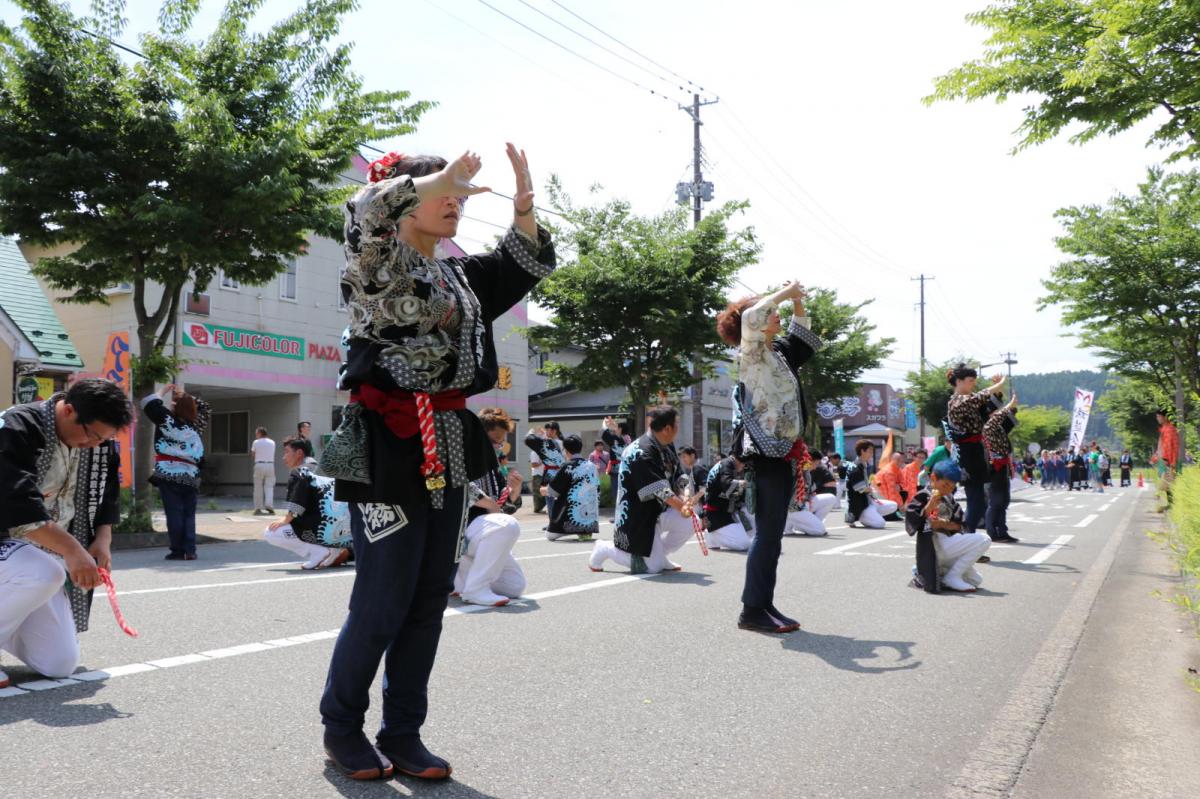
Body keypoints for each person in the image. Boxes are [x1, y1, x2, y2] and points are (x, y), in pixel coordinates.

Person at [317, 146, 555, 780]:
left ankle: (403, 731)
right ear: (402, 195)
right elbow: (365, 212)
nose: (455, 199)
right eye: (441, 190)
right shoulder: (375, 259)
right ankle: (341, 728)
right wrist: (438, 177)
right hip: (390, 443)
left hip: (447, 440)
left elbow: (517, 265)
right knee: (382, 597)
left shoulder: (456, 274)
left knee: (428, 598)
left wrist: (524, 210)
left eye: (458, 191)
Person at [0, 378, 132, 688]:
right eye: (92, 435)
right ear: (68, 410)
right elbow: (14, 501)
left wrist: (102, 540)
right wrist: (73, 550)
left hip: (40, 554)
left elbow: (107, 495)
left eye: (105, 438)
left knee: (59, 664)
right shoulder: (16, 426)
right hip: (8, 540)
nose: (95, 445)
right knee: (44, 572)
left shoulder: (100, 446)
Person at [717, 280, 823, 634]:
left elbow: (803, 339)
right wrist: (786, 291)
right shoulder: (751, 352)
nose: (776, 315)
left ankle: (764, 603)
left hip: (782, 452)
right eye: (772, 312)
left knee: (773, 535)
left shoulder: (777, 352)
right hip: (766, 452)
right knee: (767, 534)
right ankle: (752, 608)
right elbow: (751, 313)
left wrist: (797, 303)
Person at [589, 406, 694, 573]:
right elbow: (658, 489)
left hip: (660, 509)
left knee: (690, 521)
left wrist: (687, 497)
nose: (678, 427)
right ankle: (606, 548)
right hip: (638, 515)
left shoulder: (667, 444)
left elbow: (680, 475)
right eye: (677, 424)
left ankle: (659, 555)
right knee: (651, 568)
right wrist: (682, 505)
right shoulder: (640, 452)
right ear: (667, 428)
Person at [454, 407, 526, 607]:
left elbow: (504, 509)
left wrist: (515, 490)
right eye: (495, 439)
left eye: (502, 440)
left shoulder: (492, 465)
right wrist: (488, 502)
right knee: (507, 526)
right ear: (480, 433)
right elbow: (457, 484)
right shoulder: (461, 453)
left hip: (482, 531)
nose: (499, 444)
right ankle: (475, 588)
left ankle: (460, 576)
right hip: (461, 527)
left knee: (515, 586)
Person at [142, 383, 210, 561]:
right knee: (189, 513)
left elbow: (149, 403)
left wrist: (163, 391)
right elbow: (205, 408)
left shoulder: (166, 419)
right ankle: (190, 550)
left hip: (169, 473)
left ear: (175, 406)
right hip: (191, 475)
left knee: (174, 512)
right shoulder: (196, 425)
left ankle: (177, 550)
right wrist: (185, 397)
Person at [264, 437, 352, 570]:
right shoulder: (319, 467)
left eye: (287, 452)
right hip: (339, 527)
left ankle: (318, 551)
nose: (284, 457)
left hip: (318, 527)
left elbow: (298, 502)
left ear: (299, 453)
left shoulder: (299, 472)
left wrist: (286, 520)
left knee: (271, 532)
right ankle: (334, 550)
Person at [905, 460, 991, 593]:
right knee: (984, 539)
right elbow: (912, 520)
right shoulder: (922, 495)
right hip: (933, 546)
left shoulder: (949, 499)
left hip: (949, 545)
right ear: (933, 478)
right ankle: (950, 575)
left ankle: (932, 571)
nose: (947, 490)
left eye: (951, 487)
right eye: (945, 485)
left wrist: (944, 524)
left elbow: (962, 526)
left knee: (976, 580)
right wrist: (929, 507)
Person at [945, 364, 1006, 531]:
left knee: (979, 502)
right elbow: (976, 399)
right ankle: (965, 538)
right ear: (958, 381)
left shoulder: (970, 399)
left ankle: (967, 538)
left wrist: (998, 392)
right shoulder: (956, 402)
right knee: (976, 501)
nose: (973, 384)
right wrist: (995, 387)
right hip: (966, 454)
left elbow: (988, 409)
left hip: (976, 451)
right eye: (970, 380)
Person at [541, 434, 600, 541]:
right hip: (590, 521)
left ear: (566, 450)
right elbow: (598, 489)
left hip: (568, 517)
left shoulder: (567, 466)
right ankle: (584, 531)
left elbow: (554, 491)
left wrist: (544, 490)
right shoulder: (591, 466)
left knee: (549, 536)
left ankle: (567, 530)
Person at [982, 393, 1019, 544]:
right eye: (995, 411)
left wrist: (1013, 406)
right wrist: (1009, 403)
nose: (999, 414)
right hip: (994, 469)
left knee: (1003, 501)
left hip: (1002, 467)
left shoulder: (998, 428)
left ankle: (1002, 531)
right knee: (996, 502)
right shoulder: (988, 426)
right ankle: (992, 531)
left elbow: (1009, 419)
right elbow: (1000, 416)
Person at [703, 453, 753, 550]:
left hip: (723, 511)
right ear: (738, 459)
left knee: (751, 515)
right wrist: (741, 484)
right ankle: (714, 536)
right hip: (717, 514)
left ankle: (714, 535)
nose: (743, 467)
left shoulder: (727, 464)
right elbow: (727, 485)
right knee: (744, 544)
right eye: (743, 463)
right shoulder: (727, 464)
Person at [844, 440, 898, 528]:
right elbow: (861, 488)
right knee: (880, 524)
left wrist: (871, 488)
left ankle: (871, 516)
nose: (872, 453)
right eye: (870, 451)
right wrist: (871, 489)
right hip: (860, 506)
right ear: (862, 451)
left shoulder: (864, 465)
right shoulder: (855, 468)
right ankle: (864, 517)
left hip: (868, 501)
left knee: (893, 505)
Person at [785, 461, 839, 537]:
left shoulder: (807, 473)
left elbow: (809, 491)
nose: (816, 467)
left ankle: (805, 523)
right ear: (808, 462)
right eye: (815, 463)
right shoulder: (795, 471)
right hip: (793, 508)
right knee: (820, 531)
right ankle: (798, 524)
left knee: (831, 498)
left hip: (801, 505)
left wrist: (809, 495)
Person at [524, 421, 565, 518]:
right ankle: (556, 520)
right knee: (557, 498)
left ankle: (552, 521)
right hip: (560, 471)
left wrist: (532, 432)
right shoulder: (562, 443)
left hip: (550, 472)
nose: (546, 431)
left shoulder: (551, 442)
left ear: (554, 431)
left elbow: (529, 439)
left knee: (550, 497)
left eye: (548, 429)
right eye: (546, 429)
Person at [251, 427, 276, 515]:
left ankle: (258, 508)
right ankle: (269, 505)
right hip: (270, 465)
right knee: (269, 486)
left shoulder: (256, 442)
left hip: (259, 464)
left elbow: (253, 455)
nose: (256, 435)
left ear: (259, 433)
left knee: (258, 487)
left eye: (256, 433)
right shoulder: (272, 442)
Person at [1151, 410, 1180, 477]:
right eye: (1157, 416)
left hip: (1168, 463)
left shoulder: (1169, 429)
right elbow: (1161, 447)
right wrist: (1155, 459)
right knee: (1165, 484)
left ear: (1165, 417)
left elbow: (1170, 447)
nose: (1157, 418)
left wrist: (1168, 461)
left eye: (1159, 416)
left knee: (1166, 485)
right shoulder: (1164, 429)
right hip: (1163, 461)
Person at [528, 447, 546, 513]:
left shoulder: (541, 451)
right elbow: (534, 464)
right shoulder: (535, 452)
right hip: (538, 474)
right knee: (538, 493)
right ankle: (537, 509)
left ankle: (538, 509)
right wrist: (543, 461)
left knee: (541, 492)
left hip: (542, 474)